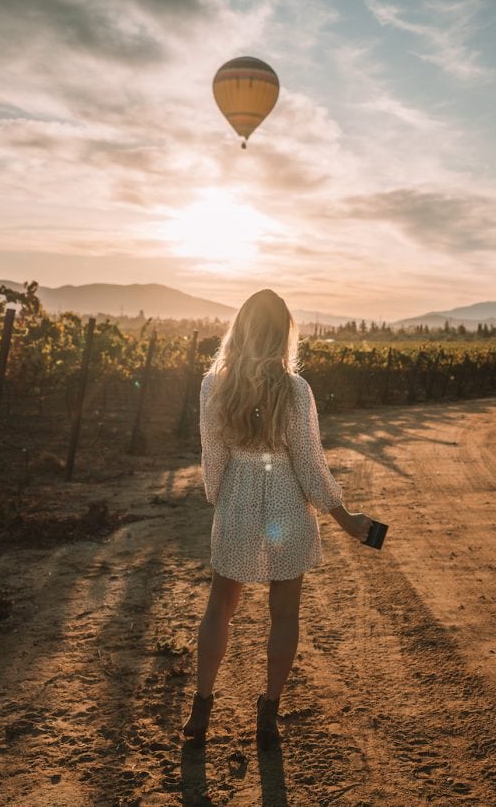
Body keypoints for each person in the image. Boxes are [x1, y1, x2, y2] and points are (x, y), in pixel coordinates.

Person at [182, 289, 373, 749]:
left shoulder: (215, 384)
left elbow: (212, 458)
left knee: (219, 608)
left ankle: (201, 709)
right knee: (284, 614)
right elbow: (309, 464)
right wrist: (344, 517)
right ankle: (268, 712)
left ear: (241, 328)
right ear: (283, 332)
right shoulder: (294, 389)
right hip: (287, 503)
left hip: (236, 501)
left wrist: (221, 499)